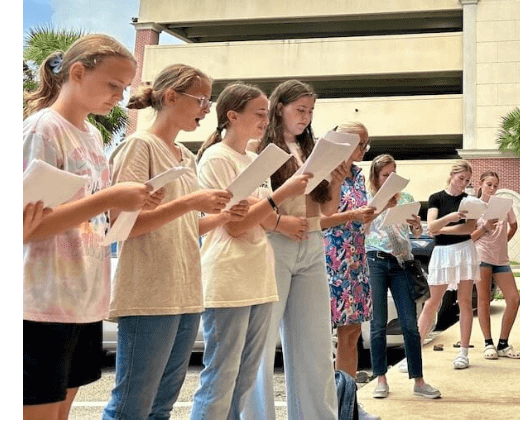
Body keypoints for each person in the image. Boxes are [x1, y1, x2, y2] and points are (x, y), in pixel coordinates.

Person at [23, 35, 162, 420]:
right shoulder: (43, 130)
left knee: (60, 411)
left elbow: (91, 214)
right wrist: (109, 198)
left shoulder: (92, 134)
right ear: (78, 73)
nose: (119, 96)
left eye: (125, 88)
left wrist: (122, 203)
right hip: (41, 301)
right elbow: (24, 227)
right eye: (113, 85)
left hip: (82, 299)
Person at [104, 64, 239, 421]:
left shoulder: (186, 156)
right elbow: (122, 225)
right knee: (132, 405)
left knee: (161, 406)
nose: (206, 110)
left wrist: (223, 215)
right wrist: (190, 203)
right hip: (149, 293)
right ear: (170, 97)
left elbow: (184, 227)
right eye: (201, 100)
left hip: (185, 292)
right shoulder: (139, 145)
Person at [190, 84, 312, 420]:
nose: (265, 119)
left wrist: (267, 209)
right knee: (220, 378)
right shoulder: (216, 157)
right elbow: (235, 225)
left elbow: (264, 219)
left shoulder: (255, 159)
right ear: (232, 115)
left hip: (259, 272)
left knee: (244, 379)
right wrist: (279, 195)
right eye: (259, 113)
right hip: (228, 276)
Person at [247, 80, 340, 421]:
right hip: (274, 243)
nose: (305, 117)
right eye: (299, 110)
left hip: (312, 244)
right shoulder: (259, 146)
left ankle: (318, 416)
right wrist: (277, 223)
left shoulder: (311, 148)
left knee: (315, 343)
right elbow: (250, 201)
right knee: (261, 340)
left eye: (311, 111)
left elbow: (328, 209)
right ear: (278, 107)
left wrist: (338, 176)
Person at [365, 153, 441, 400]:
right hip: (375, 259)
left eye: (393, 174)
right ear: (376, 176)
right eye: (385, 175)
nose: (390, 179)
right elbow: (362, 230)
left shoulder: (406, 197)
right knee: (378, 323)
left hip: (401, 262)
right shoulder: (368, 199)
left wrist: (417, 225)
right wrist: (379, 210)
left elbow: (416, 233)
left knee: (409, 323)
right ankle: (380, 379)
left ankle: (418, 381)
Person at [321, 122, 377, 379]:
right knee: (320, 335)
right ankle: (324, 404)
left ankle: (347, 399)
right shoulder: (322, 169)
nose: (365, 149)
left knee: (352, 332)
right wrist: (353, 214)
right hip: (328, 259)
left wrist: (380, 207)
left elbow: (359, 219)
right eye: (360, 144)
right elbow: (319, 219)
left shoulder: (358, 175)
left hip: (355, 259)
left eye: (366, 144)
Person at [418, 160, 480, 369]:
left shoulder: (470, 201)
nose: (463, 183)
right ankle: (414, 352)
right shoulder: (436, 197)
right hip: (442, 253)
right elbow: (431, 225)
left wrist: (441, 229)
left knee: (464, 302)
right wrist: (451, 218)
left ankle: (463, 352)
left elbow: (468, 229)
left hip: (464, 250)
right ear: (452, 175)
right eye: (461, 178)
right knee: (432, 302)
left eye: (467, 180)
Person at [474, 170, 520, 360]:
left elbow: (514, 225)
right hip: (482, 255)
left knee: (514, 299)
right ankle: (488, 343)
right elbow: (470, 236)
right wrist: (484, 228)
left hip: (501, 258)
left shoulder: (504, 204)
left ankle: (503, 343)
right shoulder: (475, 205)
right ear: (480, 184)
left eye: (495, 185)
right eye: (489, 184)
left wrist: (504, 242)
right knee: (484, 300)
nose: (492, 189)